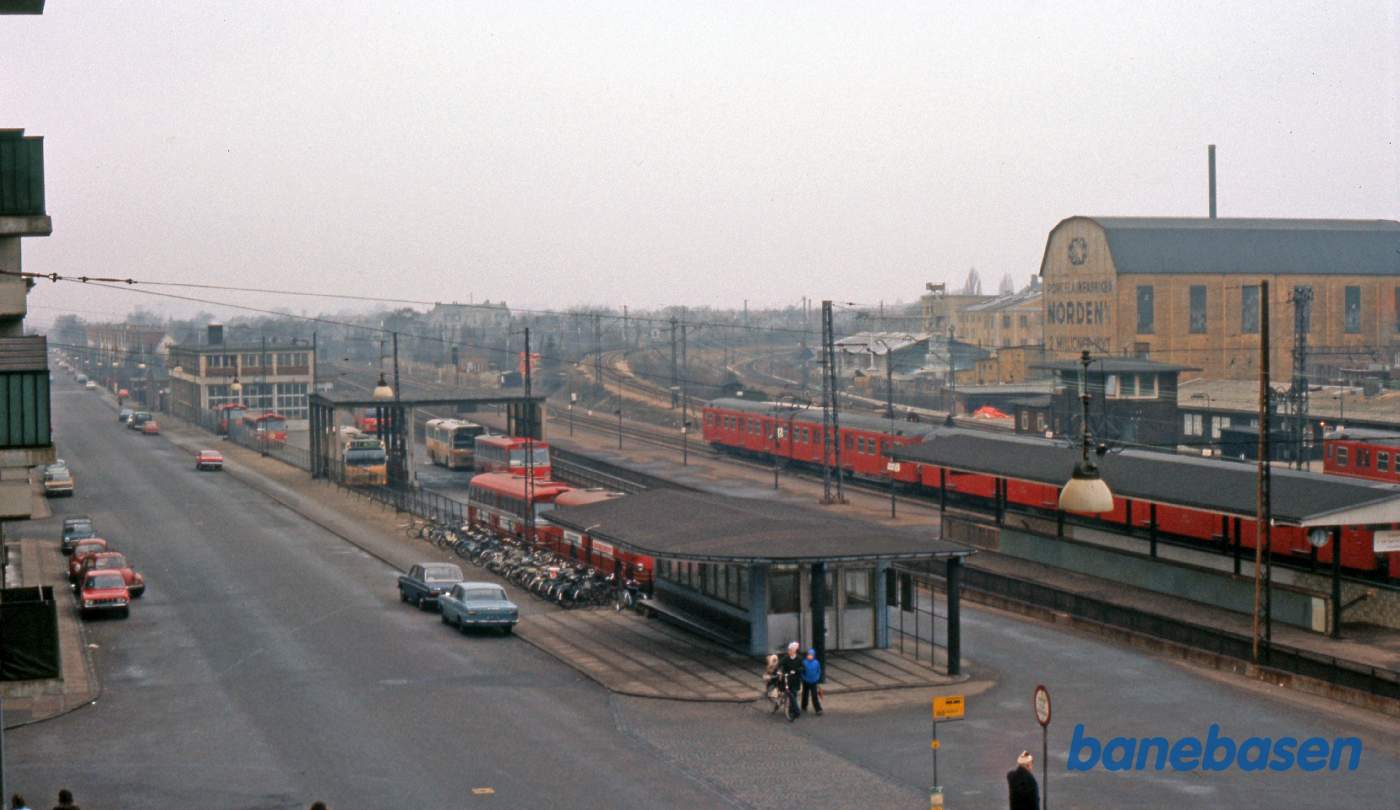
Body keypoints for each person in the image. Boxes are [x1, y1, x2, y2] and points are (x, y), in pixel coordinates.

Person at [778, 641, 804, 720]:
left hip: (795, 680)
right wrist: (779, 671)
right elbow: (780, 664)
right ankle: (793, 710)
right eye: (789, 650)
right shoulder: (786, 658)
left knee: (794, 695)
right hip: (787, 679)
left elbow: (802, 668)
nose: (789, 651)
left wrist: (796, 670)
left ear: (794, 650)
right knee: (789, 694)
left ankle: (793, 710)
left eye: (790, 650)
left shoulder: (799, 658)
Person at [800, 647, 823, 715]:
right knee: (805, 695)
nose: (810, 656)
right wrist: (803, 678)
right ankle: (804, 706)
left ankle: (818, 709)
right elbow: (802, 671)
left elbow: (819, 671)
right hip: (806, 681)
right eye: (809, 655)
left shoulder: (816, 663)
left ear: (813, 656)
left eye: (811, 655)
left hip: (813, 682)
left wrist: (817, 678)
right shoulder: (804, 662)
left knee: (814, 695)